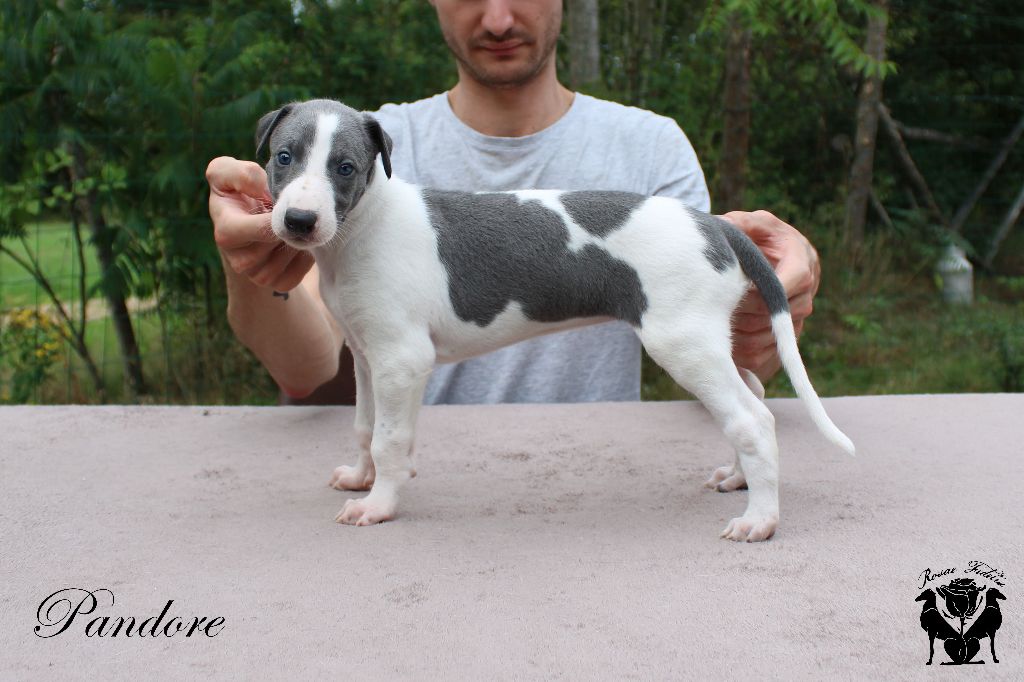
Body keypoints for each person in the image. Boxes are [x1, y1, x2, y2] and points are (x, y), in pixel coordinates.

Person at [206, 0, 820, 405]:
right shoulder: (356, 149)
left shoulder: (652, 149)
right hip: (447, 489)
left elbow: (727, 358)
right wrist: (251, 257)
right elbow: (307, 368)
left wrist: (764, 300)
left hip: (595, 471)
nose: (498, 19)